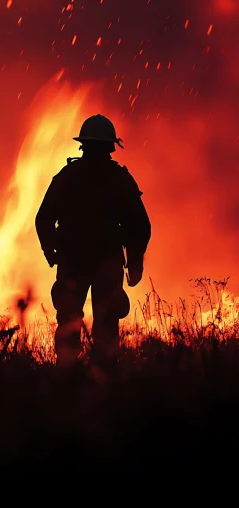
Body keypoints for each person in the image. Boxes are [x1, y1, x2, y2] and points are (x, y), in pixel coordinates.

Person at [35, 114, 151, 371]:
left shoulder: (67, 176)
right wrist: (134, 262)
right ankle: (105, 375)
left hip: (73, 261)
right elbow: (140, 226)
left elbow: (43, 220)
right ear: (111, 146)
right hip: (106, 262)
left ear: (83, 144)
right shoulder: (120, 179)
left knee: (68, 319)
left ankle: (66, 373)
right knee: (107, 322)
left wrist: (52, 251)